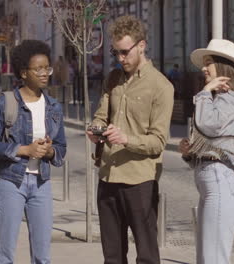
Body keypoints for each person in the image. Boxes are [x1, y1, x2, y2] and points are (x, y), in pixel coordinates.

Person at [86, 15, 174, 264]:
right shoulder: (113, 79)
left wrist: (126, 138)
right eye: (116, 53)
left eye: (125, 52)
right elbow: (101, 116)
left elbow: (158, 142)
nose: (121, 58)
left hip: (139, 181)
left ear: (141, 46)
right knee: (112, 256)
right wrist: (96, 130)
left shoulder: (161, 86)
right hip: (108, 176)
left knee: (146, 255)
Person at [0, 39, 67, 264]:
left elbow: (61, 148)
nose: (44, 73)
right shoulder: (6, 103)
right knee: (6, 253)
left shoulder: (54, 107)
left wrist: (48, 152)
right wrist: (24, 149)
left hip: (41, 184)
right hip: (11, 182)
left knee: (43, 255)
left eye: (46, 68)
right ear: (23, 72)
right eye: (38, 69)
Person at [178, 39, 234, 264]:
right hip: (211, 180)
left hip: (220, 181)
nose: (203, 68)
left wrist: (203, 93)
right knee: (206, 257)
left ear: (222, 66)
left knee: (213, 259)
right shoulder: (217, 99)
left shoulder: (233, 99)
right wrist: (189, 152)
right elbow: (211, 140)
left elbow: (208, 124)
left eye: (208, 63)